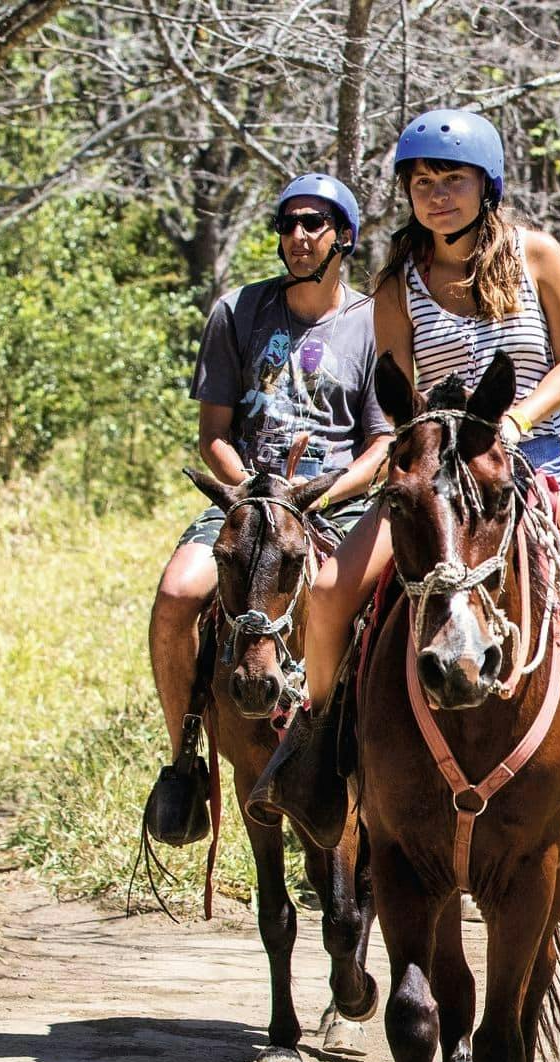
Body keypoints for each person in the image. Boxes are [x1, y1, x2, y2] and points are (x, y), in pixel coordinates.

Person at [253, 108, 560, 853]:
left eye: (452, 179)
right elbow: (397, 390)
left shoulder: (540, 255)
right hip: (441, 469)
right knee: (328, 594)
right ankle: (318, 751)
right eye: (422, 181)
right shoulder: (398, 282)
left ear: (486, 185)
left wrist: (517, 421)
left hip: (540, 458)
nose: (437, 194)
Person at [141, 172, 391, 847]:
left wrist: (328, 493)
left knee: (393, 609)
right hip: (247, 505)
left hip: (333, 504)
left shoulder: (373, 322)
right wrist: (253, 492)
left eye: (314, 223)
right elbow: (214, 433)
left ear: (345, 236)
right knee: (176, 592)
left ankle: (386, 767)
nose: (298, 236)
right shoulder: (238, 311)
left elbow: (383, 443)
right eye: (287, 224)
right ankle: (183, 761)